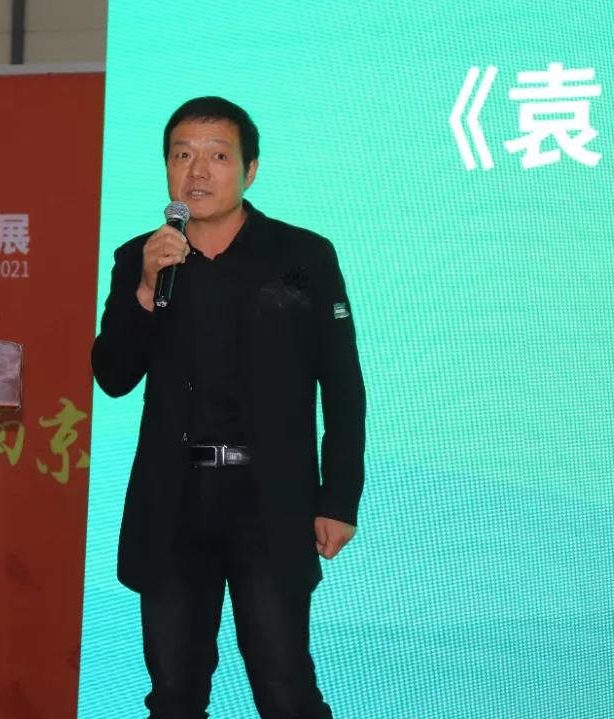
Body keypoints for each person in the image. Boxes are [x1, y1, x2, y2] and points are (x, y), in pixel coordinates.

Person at [91, 96, 366, 719]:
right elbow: (112, 376)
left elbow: (343, 386)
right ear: (167, 169)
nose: (198, 171)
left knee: (285, 688)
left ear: (250, 170)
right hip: (173, 501)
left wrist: (339, 498)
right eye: (182, 155)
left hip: (270, 503)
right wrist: (143, 288)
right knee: (173, 694)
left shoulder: (302, 255)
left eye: (217, 156)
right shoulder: (141, 257)